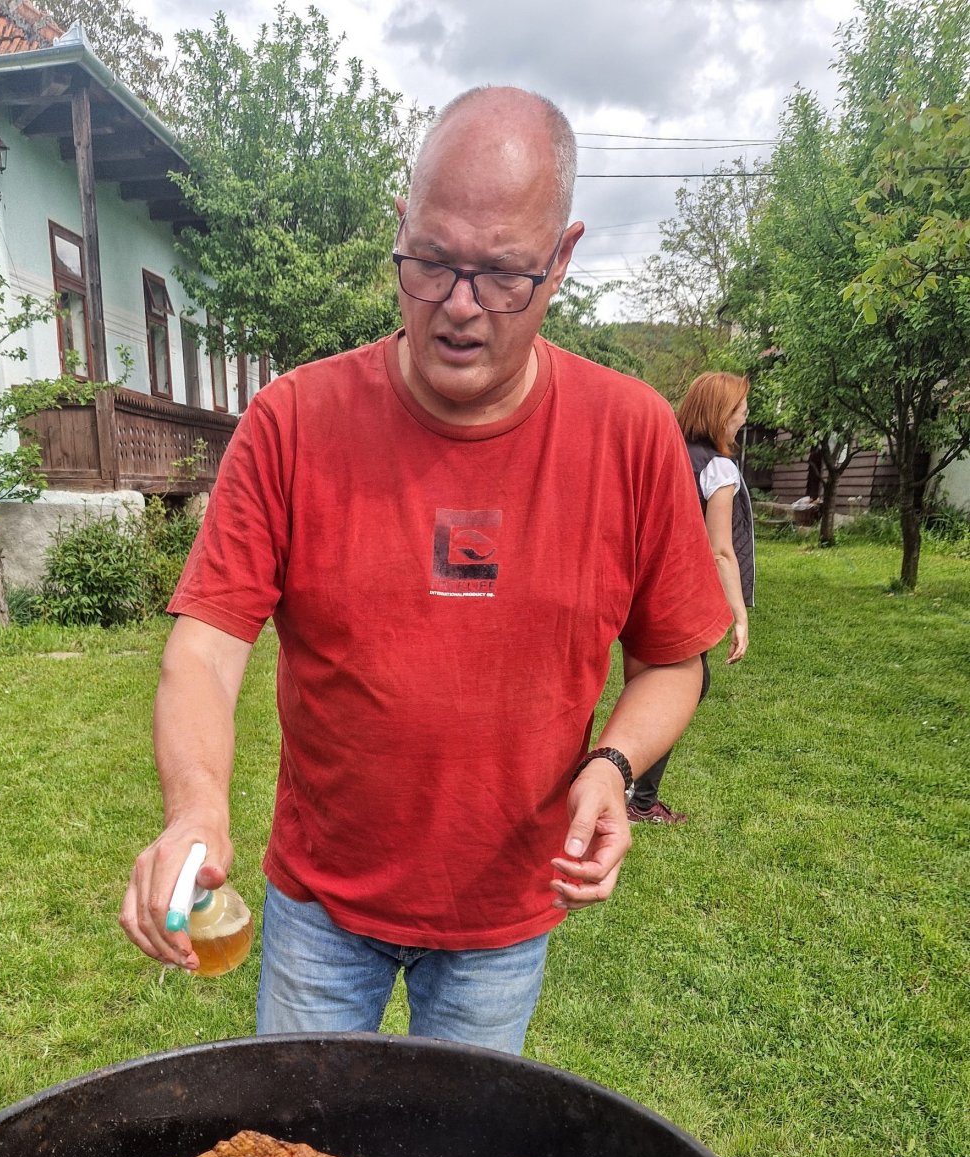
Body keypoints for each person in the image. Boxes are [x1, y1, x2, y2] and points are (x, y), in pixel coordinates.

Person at [119, 85, 732, 1054]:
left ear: (561, 259)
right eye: (432, 262)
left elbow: (673, 658)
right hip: (321, 905)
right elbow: (205, 648)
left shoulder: (630, 433)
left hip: (503, 914)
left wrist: (615, 765)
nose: (458, 305)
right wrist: (196, 807)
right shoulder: (294, 420)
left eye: (501, 276)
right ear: (401, 230)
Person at [626, 370, 753, 825]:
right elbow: (720, 550)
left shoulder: (669, 453)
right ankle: (637, 798)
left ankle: (630, 786)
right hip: (680, 591)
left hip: (642, 583)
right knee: (682, 685)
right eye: (740, 409)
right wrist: (739, 613)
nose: (744, 417)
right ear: (722, 414)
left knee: (657, 683)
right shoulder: (719, 468)